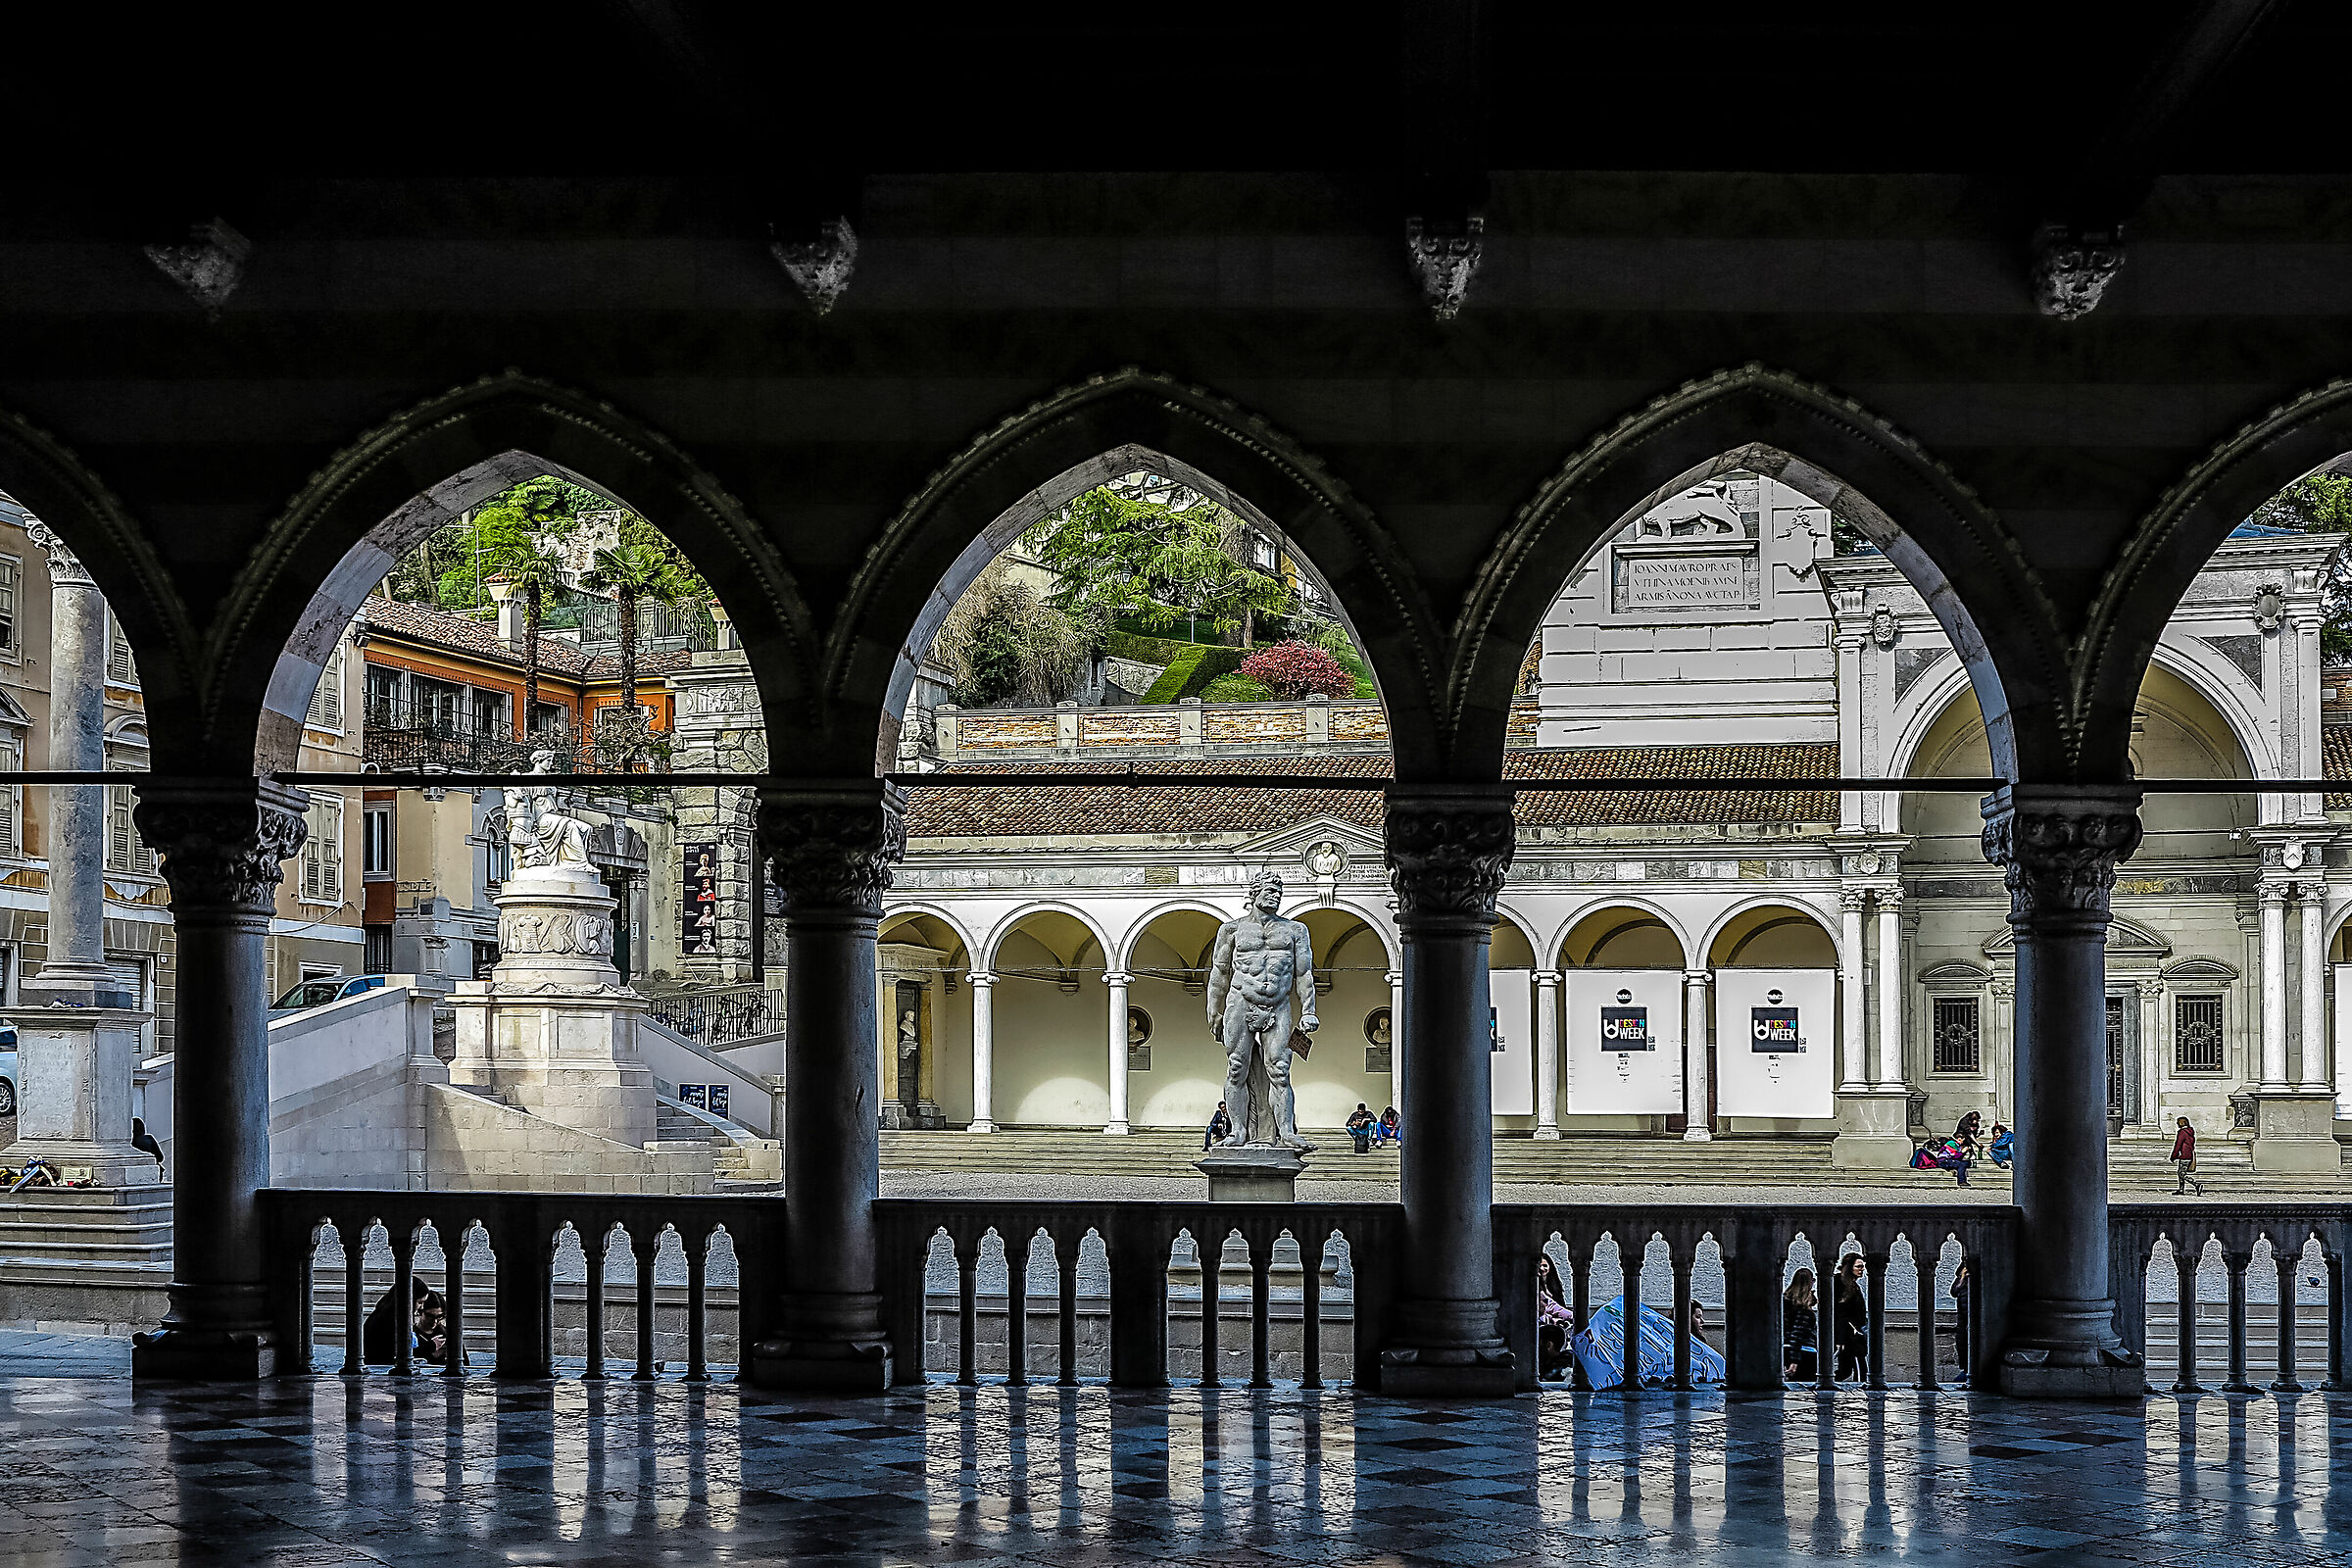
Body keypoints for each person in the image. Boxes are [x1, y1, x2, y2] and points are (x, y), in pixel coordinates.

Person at [364, 1276, 465, 1367]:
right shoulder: (390, 1320)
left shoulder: (385, 1315)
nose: (421, 1307)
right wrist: (432, 1347)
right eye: (420, 1302)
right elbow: (400, 1352)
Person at [1536, 1255, 1575, 1380]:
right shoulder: (1535, 1290)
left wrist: (1575, 1318)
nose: (1542, 1269)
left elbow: (1556, 1308)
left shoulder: (1553, 1286)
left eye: (1545, 1265)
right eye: (1539, 1266)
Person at [1832, 1254, 1870, 1381]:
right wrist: (1840, 1339)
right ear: (1849, 1268)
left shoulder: (1852, 1285)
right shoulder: (1840, 1284)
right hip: (1849, 1335)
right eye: (1858, 1267)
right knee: (1859, 1370)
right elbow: (1840, 1314)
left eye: (1863, 1267)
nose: (1862, 1269)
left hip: (1853, 1334)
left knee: (1846, 1370)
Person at [1782, 1267, 1819, 1382]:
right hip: (1804, 1353)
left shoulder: (1785, 1303)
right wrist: (1795, 1361)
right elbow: (1797, 1334)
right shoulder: (1803, 1307)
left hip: (1788, 1349)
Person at [2171, 1114, 2204, 1195]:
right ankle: (2181, 1190)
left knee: (2181, 1174)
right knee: (2181, 1172)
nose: (2177, 1124)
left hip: (2184, 1155)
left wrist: (2173, 1155)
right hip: (2189, 1154)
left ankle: (2196, 1185)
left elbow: (2178, 1144)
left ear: (2182, 1123)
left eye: (2178, 1122)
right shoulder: (2190, 1132)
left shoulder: (2182, 1132)